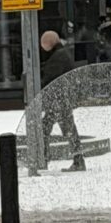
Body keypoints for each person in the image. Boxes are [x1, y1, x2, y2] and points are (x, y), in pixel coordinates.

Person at [38, 30, 82, 158]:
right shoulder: (62, 53)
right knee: (64, 128)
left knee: (52, 128)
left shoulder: (57, 57)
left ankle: (45, 157)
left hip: (58, 100)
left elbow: (50, 80)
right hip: (62, 98)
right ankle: (77, 159)